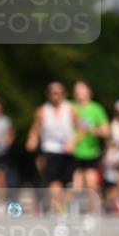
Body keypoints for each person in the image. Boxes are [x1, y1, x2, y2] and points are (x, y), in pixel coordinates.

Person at [26, 82, 79, 212]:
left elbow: (80, 129)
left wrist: (73, 142)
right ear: (48, 95)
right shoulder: (42, 111)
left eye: (59, 93)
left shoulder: (70, 109)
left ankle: (65, 205)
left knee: (68, 183)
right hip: (50, 149)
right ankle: (59, 211)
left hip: (67, 150)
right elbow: (36, 128)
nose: (56, 96)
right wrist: (32, 139)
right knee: (53, 181)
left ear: (64, 94)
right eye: (53, 93)